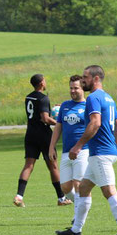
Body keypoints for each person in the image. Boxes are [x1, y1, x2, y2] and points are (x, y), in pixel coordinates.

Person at [56, 65, 117, 235]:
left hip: (99, 153)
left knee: (109, 191)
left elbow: (95, 123)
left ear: (96, 78)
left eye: (85, 77)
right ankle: (76, 230)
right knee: (83, 188)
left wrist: (78, 146)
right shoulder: (109, 98)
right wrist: (111, 146)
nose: (83, 80)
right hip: (105, 152)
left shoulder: (93, 98)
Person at [13, 74, 72, 207]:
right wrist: (58, 122)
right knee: (53, 166)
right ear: (41, 83)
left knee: (28, 165)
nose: (45, 82)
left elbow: (38, 113)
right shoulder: (44, 98)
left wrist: (54, 110)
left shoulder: (28, 97)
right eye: (44, 80)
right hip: (44, 135)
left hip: (30, 134)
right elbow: (45, 119)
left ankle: (19, 196)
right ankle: (61, 198)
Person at [49, 75, 88, 223]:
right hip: (66, 152)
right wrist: (51, 147)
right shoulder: (65, 106)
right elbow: (58, 128)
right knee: (65, 187)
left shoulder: (88, 106)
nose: (73, 90)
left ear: (82, 88)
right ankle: (83, 204)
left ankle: (77, 219)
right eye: (71, 88)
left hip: (82, 151)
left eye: (76, 88)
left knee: (78, 185)